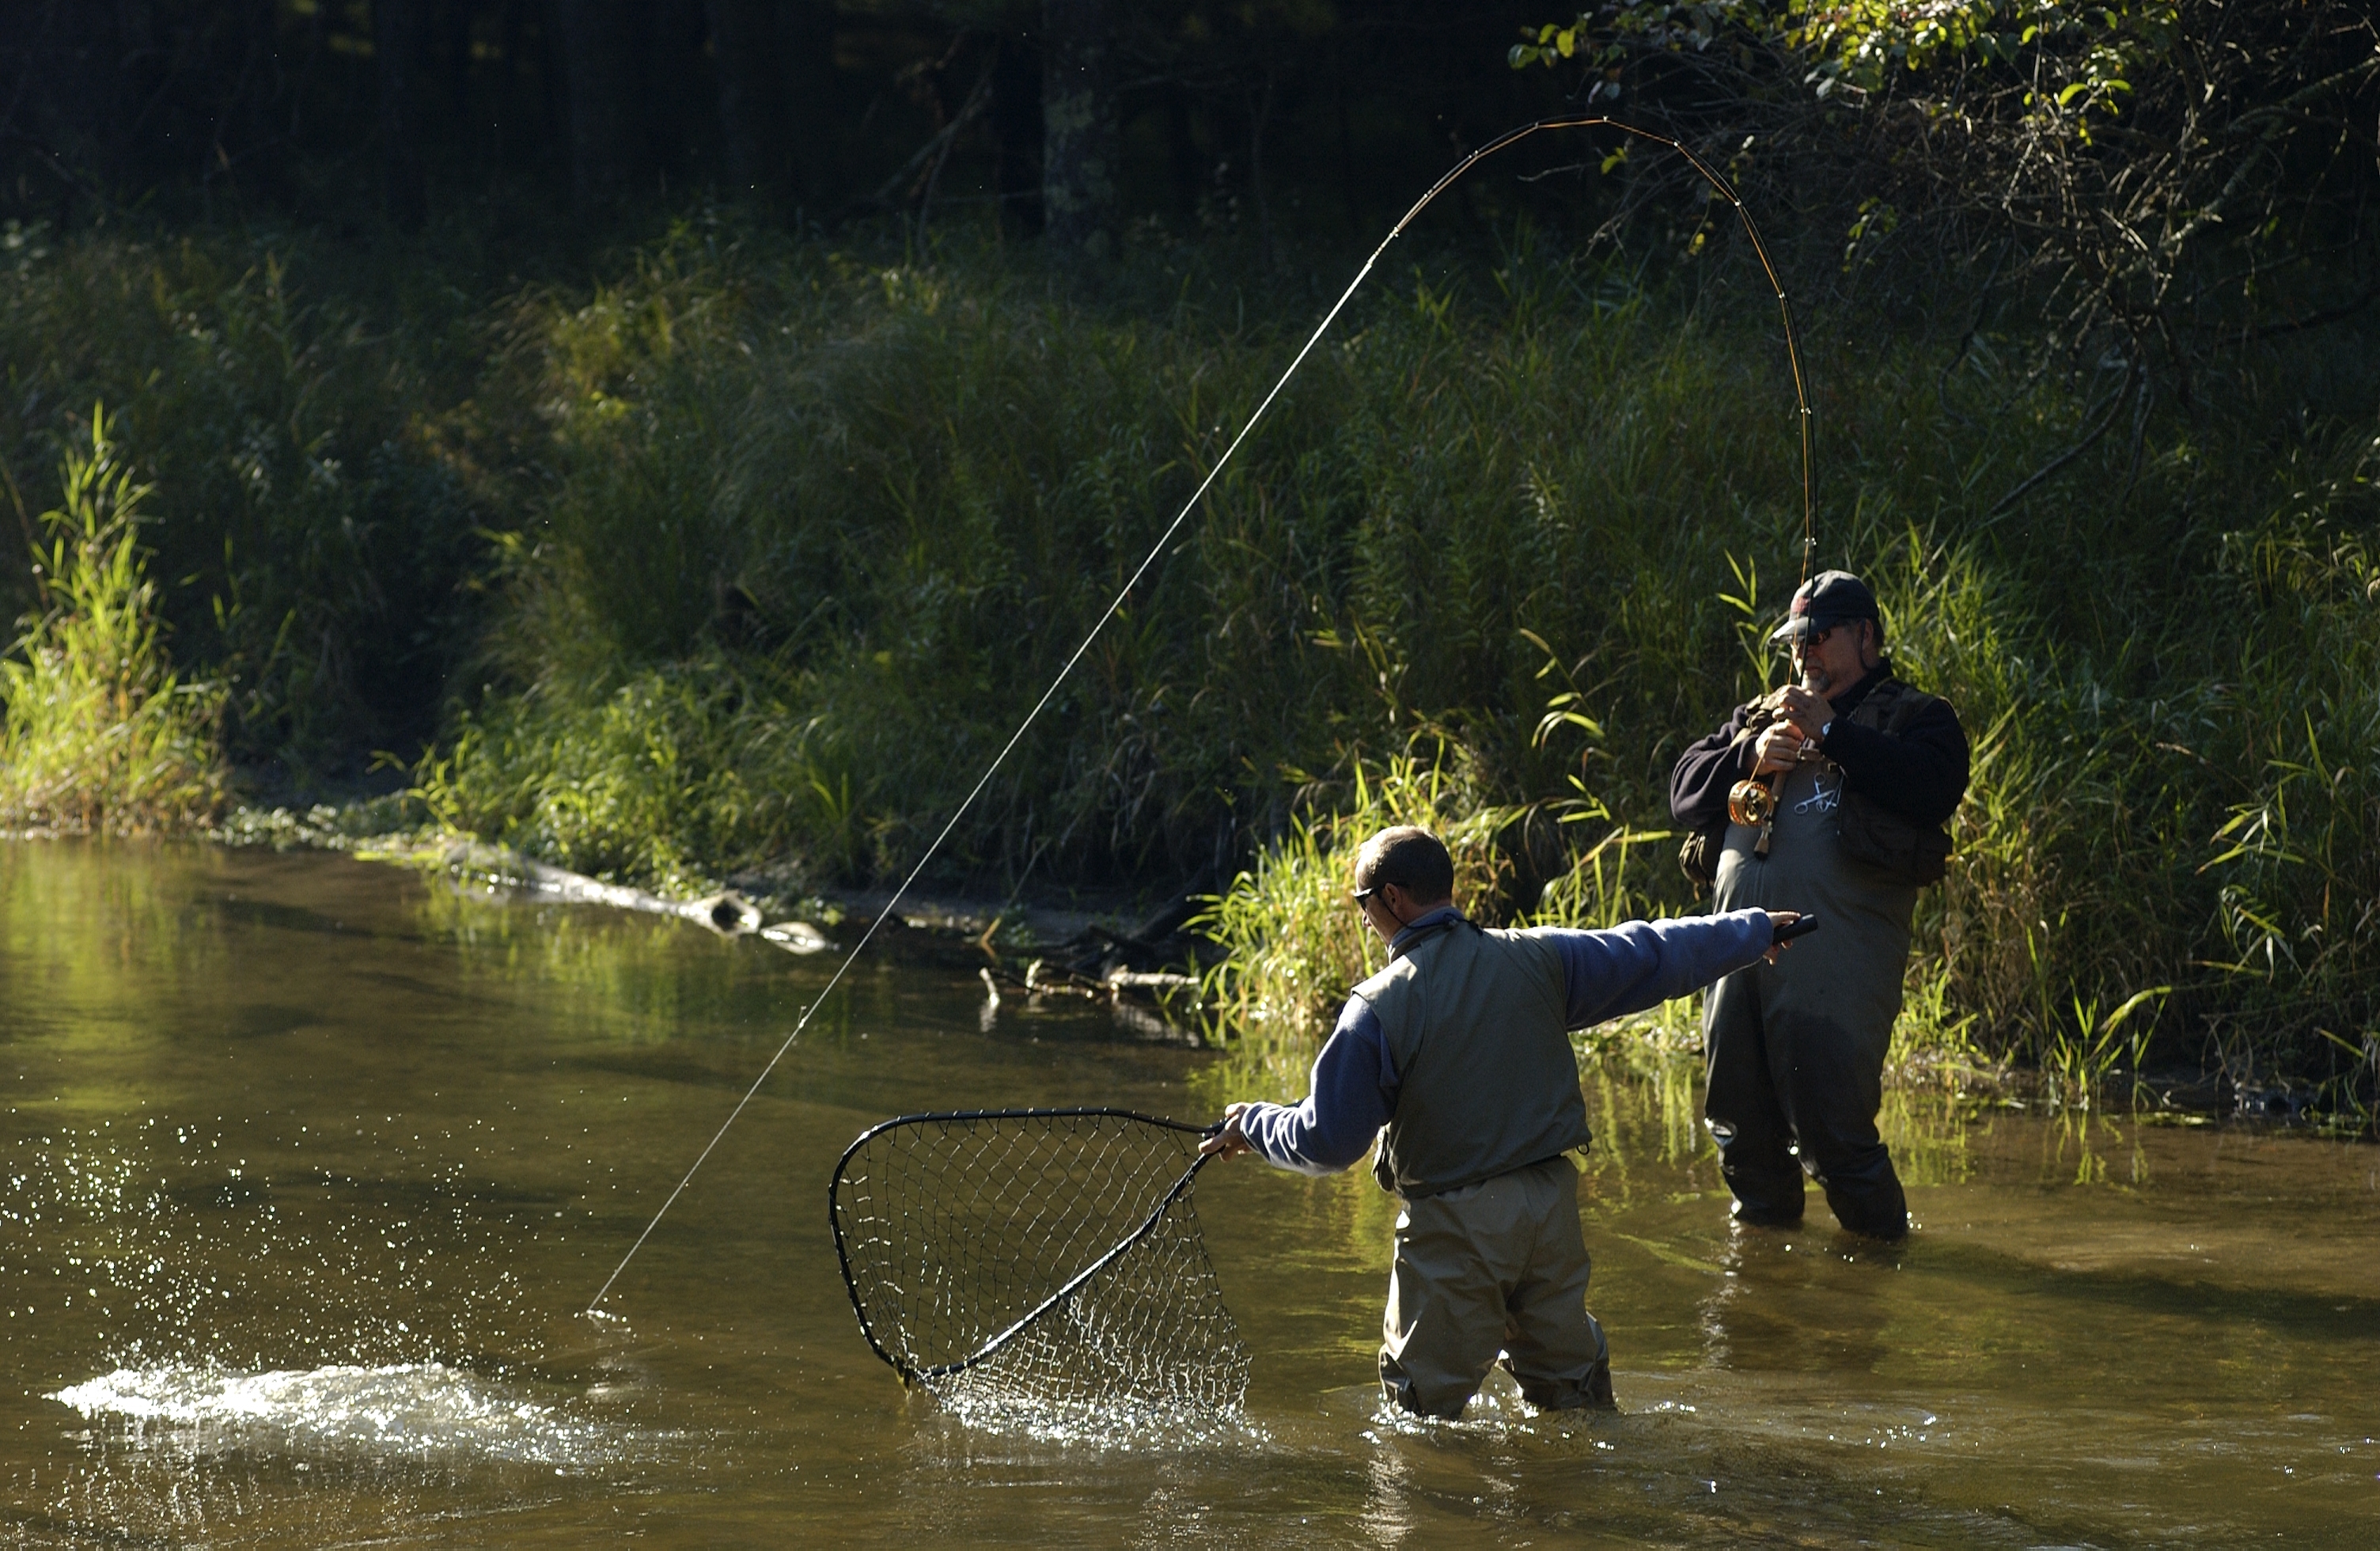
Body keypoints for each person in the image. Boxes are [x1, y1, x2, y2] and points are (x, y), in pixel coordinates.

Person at [1201, 825, 1799, 1420]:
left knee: (1420, 1420)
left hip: (1457, 1231)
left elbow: (1327, 1142)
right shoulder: (1541, 957)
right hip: (1551, 1216)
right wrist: (1752, 930)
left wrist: (1252, 1125)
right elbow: (1654, 953)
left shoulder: (1377, 1009)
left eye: (1362, 903)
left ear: (1391, 899)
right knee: (1575, 1401)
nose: (1361, 917)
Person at [1667, 569, 1970, 1241]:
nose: (1803, 657)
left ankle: (1884, 1271)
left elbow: (1933, 788)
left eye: (1818, 638)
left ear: (1866, 636)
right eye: (1794, 643)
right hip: (1738, 968)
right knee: (1739, 1132)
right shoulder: (1762, 716)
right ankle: (1769, 1287)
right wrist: (1750, 753)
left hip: (1837, 973)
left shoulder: (1918, 718)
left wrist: (1831, 734)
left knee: (1836, 1138)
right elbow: (1684, 792)